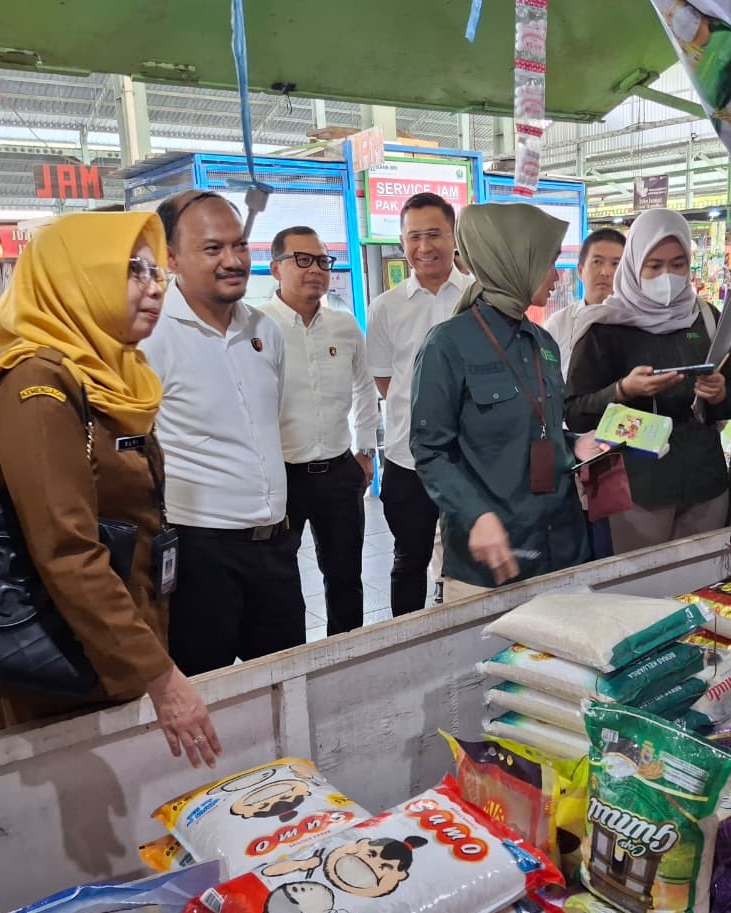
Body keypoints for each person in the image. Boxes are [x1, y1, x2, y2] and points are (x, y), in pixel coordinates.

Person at [0, 211, 219, 769]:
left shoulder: (115, 374)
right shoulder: (40, 386)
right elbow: (66, 550)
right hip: (67, 657)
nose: (154, 287)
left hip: (120, 637)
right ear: (76, 276)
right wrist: (160, 676)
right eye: (133, 270)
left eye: (156, 272)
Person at [141, 191, 305, 675]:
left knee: (284, 681)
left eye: (240, 245)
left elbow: (268, 421)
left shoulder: (264, 330)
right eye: (212, 248)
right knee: (205, 692)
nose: (232, 260)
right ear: (171, 258)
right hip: (200, 554)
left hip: (275, 546)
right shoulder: (148, 337)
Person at [411, 203, 606, 599]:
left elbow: (539, 427)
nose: (556, 276)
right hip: (492, 561)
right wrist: (476, 515)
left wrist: (572, 444)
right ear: (514, 261)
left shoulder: (543, 342)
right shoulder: (447, 345)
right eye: (548, 263)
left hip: (562, 547)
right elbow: (430, 451)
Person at [565, 208, 731, 554]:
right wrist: (622, 391)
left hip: (704, 483)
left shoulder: (705, 318)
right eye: (654, 266)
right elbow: (574, 412)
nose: (667, 276)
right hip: (635, 493)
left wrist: (720, 393)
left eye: (678, 265)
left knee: (702, 578)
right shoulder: (604, 327)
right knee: (639, 584)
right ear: (634, 266)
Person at [259, 226, 377, 637]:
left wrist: (366, 450)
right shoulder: (256, 327)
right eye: (303, 260)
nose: (316, 270)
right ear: (276, 268)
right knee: (279, 581)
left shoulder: (344, 325)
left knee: (345, 576)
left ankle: (347, 655)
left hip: (339, 473)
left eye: (323, 261)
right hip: (282, 477)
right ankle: (293, 660)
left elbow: (365, 387)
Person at [365, 192, 475, 615]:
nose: (424, 246)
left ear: (454, 237)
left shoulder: (479, 298)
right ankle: (407, 640)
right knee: (409, 559)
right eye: (414, 237)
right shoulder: (385, 308)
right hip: (407, 460)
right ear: (402, 242)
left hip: (471, 458)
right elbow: (385, 380)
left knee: (471, 560)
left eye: (434, 234)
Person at [543, 227, 625, 379]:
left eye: (615, 264)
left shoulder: (636, 323)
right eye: (597, 262)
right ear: (580, 271)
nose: (605, 272)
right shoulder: (558, 325)